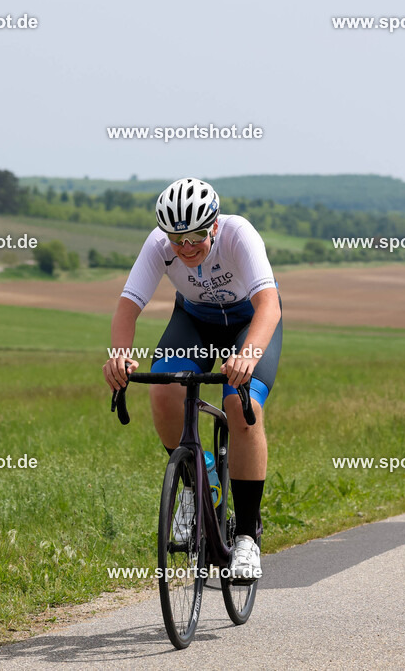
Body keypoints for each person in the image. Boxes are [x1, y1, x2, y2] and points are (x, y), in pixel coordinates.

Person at [102, 177, 282, 580]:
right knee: (164, 390)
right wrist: (118, 356)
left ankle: (248, 536)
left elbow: (268, 305)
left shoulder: (239, 234)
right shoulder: (158, 246)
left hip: (248, 322)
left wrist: (247, 355)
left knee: (240, 403)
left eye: (196, 236)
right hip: (195, 323)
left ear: (214, 225)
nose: (185, 248)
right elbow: (128, 306)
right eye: (176, 239)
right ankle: (197, 483)